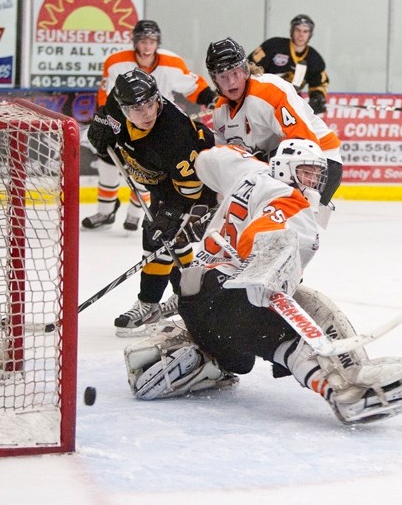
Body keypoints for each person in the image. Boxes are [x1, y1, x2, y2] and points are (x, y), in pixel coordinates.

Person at [121, 139, 402, 425]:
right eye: (306, 172)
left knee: (240, 361)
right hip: (226, 297)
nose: (313, 182)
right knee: (288, 338)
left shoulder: (247, 169)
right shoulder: (294, 203)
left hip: (192, 296)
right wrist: (260, 268)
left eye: (317, 175)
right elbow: (264, 235)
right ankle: (344, 394)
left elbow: (206, 160)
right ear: (285, 168)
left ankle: (185, 359)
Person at [86, 68, 216, 337]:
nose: (146, 113)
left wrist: (171, 213)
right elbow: (105, 120)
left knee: (159, 237)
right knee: (171, 240)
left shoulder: (174, 134)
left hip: (199, 184)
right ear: (122, 106)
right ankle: (185, 294)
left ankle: (149, 304)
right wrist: (100, 132)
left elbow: (190, 189)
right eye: (136, 108)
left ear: (157, 97)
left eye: (149, 103)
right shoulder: (117, 100)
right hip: (162, 180)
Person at [82, 20, 216, 232]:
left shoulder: (172, 63)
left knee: (148, 171)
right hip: (126, 122)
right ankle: (105, 211)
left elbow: (194, 86)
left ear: (157, 44)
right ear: (135, 42)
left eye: (151, 42)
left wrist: (212, 98)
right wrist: (103, 120)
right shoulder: (116, 62)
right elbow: (107, 97)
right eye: (143, 41)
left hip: (159, 128)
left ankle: (137, 214)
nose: (146, 47)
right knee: (107, 164)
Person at [206, 36, 342, 227]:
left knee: (284, 231)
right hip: (278, 166)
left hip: (320, 161)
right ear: (215, 80)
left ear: (245, 69)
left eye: (235, 73)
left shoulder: (268, 90)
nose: (231, 82)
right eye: (223, 77)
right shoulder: (221, 112)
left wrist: (308, 197)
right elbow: (228, 163)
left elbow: (304, 143)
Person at [247, 14, 329, 115]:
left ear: (310, 34)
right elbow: (249, 67)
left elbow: (319, 84)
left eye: (305, 31)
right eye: (298, 30)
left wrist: (317, 98)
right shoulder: (273, 46)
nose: (301, 35)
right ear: (292, 31)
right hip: (263, 99)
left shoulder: (314, 59)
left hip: (292, 104)